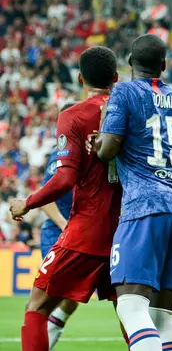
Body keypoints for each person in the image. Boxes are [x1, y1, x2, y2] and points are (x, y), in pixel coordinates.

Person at [10, 47, 123, 351]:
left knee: (37, 305)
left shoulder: (73, 116)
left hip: (87, 230)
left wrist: (27, 203)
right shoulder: (132, 113)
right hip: (128, 229)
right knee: (132, 315)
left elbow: (64, 179)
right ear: (116, 77)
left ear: (80, 77)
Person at [94, 34, 172, 351]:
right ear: (164, 66)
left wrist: (99, 142)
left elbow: (107, 149)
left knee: (131, 308)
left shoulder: (124, 91)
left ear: (129, 64)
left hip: (144, 207)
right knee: (163, 317)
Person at [39, 103, 77, 350]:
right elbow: (45, 197)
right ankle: (38, 338)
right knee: (47, 296)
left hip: (78, 232)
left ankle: (50, 331)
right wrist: (65, 226)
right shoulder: (60, 154)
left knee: (73, 297)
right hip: (58, 232)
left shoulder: (85, 151)